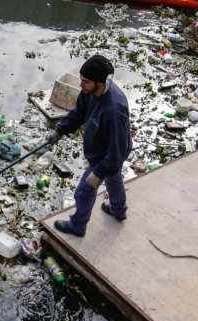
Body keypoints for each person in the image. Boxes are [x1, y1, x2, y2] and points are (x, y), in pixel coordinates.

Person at [45, 54, 132, 237]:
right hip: (103, 149)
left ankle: (77, 226)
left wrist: (98, 173)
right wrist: (59, 131)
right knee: (114, 179)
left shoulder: (113, 110)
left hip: (109, 154)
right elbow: (78, 114)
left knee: (84, 191)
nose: (81, 84)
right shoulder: (89, 93)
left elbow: (117, 151)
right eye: (81, 79)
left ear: (99, 82)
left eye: (85, 81)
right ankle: (119, 210)